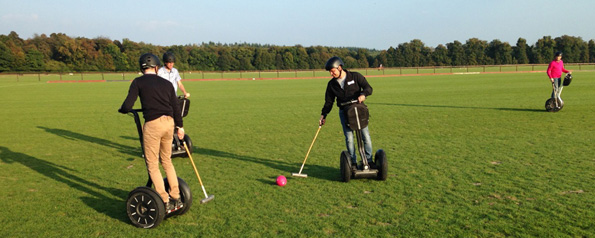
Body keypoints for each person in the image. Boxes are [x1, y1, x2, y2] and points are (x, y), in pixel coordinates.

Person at [119, 53, 185, 213]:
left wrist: (123, 110)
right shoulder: (166, 83)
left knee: (152, 164)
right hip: (169, 123)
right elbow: (176, 106)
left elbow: (128, 105)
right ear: (156, 67)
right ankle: (176, 197)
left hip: (153, 125)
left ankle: (164, 199)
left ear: (142, 69)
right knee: (167, 161)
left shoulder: (138, 82)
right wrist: (180, 127)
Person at [319, 56, 374, 169]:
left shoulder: (355, 76)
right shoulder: (331, 85)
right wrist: (324, 115)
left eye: (333, 71)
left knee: (366, 136)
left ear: (339, 68)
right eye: (330, 72)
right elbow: (329, 102)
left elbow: (368, 88)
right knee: (349, 138)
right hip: (345, 112)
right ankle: (352, 163)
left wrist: (363, 95)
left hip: (359, 110)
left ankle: (369, 160)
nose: (331, 74)